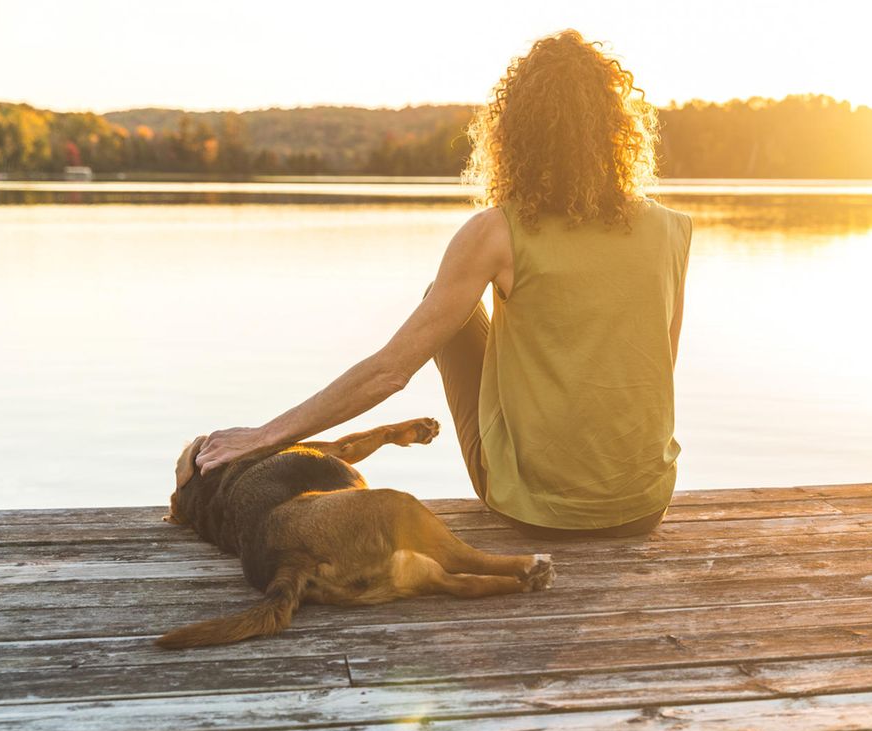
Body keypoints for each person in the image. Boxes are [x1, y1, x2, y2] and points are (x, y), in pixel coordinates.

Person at [194, 30, 692, 540]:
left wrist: (263, 437)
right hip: (644, 504)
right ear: (617, 129)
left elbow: (389, 372)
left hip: (536, 510)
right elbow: (657, 368)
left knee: (445, 300)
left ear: (517, 133)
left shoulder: (497, 232)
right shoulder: (674, 228)